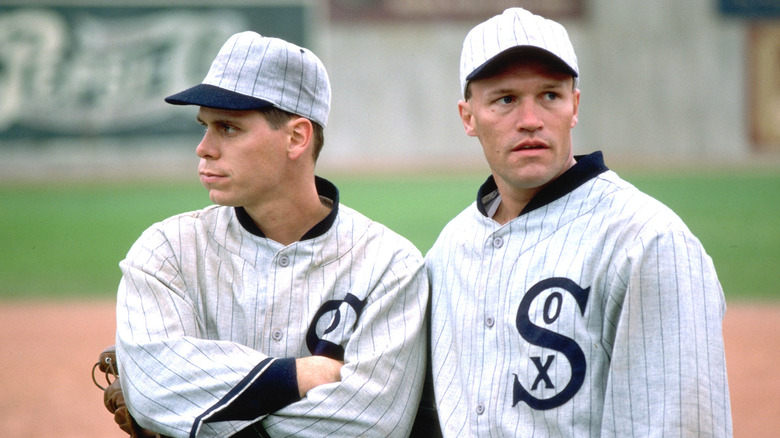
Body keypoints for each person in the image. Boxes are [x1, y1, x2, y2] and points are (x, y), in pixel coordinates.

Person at [99, 31, 428, 437]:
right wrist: (302, 376)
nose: (204, 147)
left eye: (228, 128)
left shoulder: (390, 265)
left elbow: (372, 425)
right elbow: (152, 388)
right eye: (204, 125)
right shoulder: (167, 251)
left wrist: (195, 418)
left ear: (296, 137)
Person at [424, 8, 732, 437]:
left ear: (575, 106)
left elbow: (678, 426)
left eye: (550, 95)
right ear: (468, 117)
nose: (530, 119)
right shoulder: (450, 248)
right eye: (505, 99)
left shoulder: (648, 241)